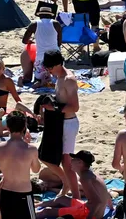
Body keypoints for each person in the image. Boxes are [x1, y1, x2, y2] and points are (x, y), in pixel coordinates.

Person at [0, 111, 41, 219]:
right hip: (24, 194)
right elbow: (36, 169)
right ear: (24, 127)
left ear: (8, 128)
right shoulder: (31, 149)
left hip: (6, 193)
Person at [43, 50, 81, 201]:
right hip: (60, 122)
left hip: (69, 123)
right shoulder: (59, 77)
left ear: (58, 64)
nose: (48, 70)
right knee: (50, 157)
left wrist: (55, 109)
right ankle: (66, 185)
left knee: (67, 162)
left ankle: (75, 195)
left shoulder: (68, 79)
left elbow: (75, 106)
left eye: (50, 67)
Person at [35, 150, 112, 219]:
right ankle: (36, 205)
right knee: (61, 199)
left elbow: (97, 201)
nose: (71, 161)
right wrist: (111, 208)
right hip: (90, 209)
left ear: (80, 163)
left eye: (74, 159)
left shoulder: (85, 178)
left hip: (87, 213)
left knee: (46, 211)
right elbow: (106, 193)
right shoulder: (93, 175)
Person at [21, 3, 62, 86]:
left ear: (40, 15)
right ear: (50, 15)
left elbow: (24, 41)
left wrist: (30, 42)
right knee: (59, 78)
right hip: (55, 56)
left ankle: (39, 82)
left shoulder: (34, 25)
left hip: (41, 56)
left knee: (38, 79)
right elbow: (59, 42)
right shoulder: (56, 24)